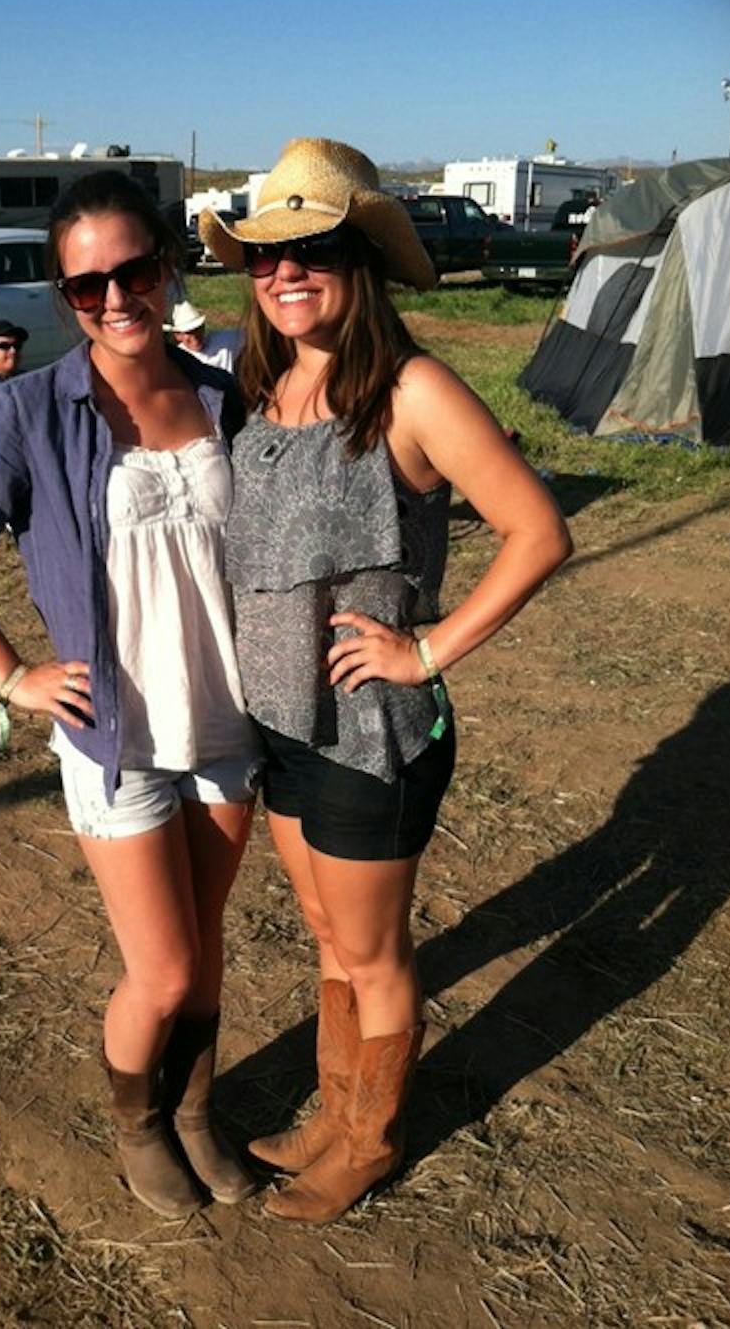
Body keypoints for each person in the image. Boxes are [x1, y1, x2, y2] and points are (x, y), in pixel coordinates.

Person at [199, 138, 572, 1224]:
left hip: (372, 730)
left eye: (311, 248)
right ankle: (331, 1107)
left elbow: (536, 530)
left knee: (372, 947)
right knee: (329, 936)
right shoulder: (263, 387)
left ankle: (369, 1137)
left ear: (358, 256)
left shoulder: (408, 388)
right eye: (266, 257)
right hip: (280, 720)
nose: (283, 273)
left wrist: (427, 647)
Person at [0, 171, 259, 1218]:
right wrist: (10, 672)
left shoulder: (219, 392)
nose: (114, 297)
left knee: (205, 959)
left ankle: (198, 1114)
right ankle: (138, 1123)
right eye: (86, 283)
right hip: (115, 733)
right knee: (159, 969)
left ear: (165, 265)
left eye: (132, 270)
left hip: (228, 722)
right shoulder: (26, 412)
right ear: (65, 296)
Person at [167, 298, 241, 373]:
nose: (194, 336)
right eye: (189, 332)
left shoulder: (224, 341)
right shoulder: (177, 360)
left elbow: (250, 333)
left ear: (203, 327)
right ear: (178, 336)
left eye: (197, 329)